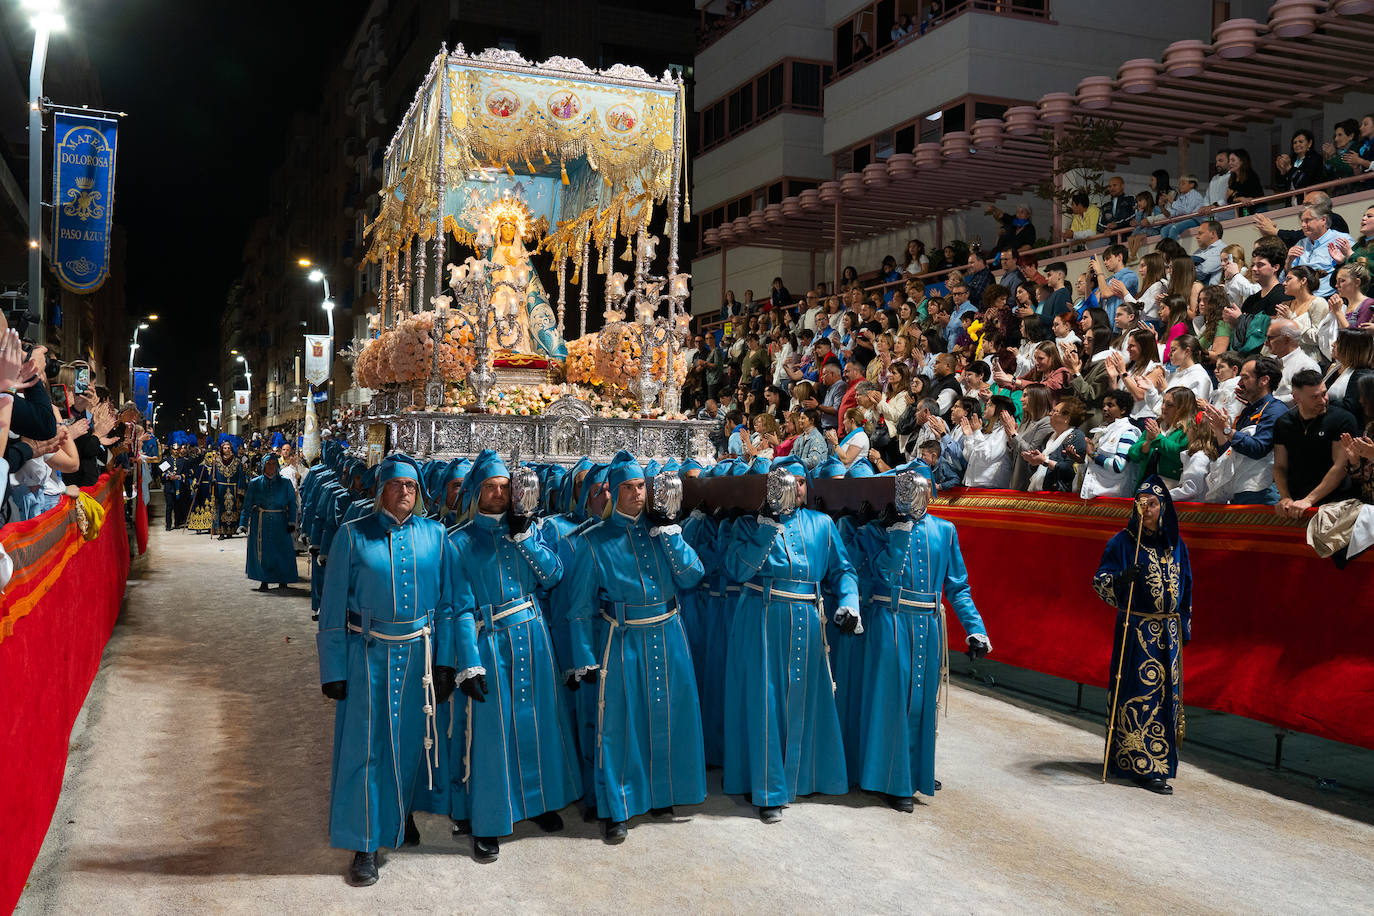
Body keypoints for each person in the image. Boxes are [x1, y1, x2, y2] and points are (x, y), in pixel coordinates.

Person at [317, 454, 460, 886]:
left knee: (413, 742)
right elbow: (332, 605)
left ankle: (399, 815)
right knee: (366, 748)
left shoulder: (437, 536)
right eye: (396, 484)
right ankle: (364, 844)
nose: (404, 492)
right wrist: (333, 667)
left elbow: (448, 605)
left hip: (420, 656)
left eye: (411, 485)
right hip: (368, 654)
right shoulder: (352, 535)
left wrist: (446, 662)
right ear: (380, 491)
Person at [566, 455, 707, 842]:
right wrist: (584, 658)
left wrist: (672, 535)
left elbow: (693, 576)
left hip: (669, 634)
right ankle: (617, 808)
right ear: (613, 492)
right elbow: (579, 609)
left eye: (641, 486)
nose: (636, 494)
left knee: (669, 716)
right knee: (619, 726)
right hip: (622, 639)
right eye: (627, 488)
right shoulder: (592, 540)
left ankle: (662, 794)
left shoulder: (664, 532)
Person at [446, 451, 579, 862]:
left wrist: (525, 539)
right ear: (475, 493)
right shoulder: (458, 543)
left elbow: (553, 575)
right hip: (490, 642)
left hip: (533, 636)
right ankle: (486, 819)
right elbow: (459, 608)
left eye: (504, 487)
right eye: (490, 487)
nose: (499, 494)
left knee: (538, 722)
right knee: (492, 732)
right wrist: (469, 661)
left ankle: (539, 802)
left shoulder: (529, 530)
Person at [723, 461, 858, 823]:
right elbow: (736, 570)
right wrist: (767, 528)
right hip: (761, 617)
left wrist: (849, 602)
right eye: (786, 482)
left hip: (808, 620)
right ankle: (767, 789)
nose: (795, 488)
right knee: (764, 700)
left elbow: (843, 570)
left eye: (800, 482)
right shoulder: (748, 525)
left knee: (806, 696)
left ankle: (802, 778)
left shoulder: (823, 524)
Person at [853, 468, 989, 811]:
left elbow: (957, 586)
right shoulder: (877, 530)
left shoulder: (945, 530)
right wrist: (897, 535)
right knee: (892, 699)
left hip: (928, 625)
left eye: (922, 487)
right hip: (890, 619)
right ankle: (893, 780)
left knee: (922, 701)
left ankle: (914, 771)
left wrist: (975, 629)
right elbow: (883, 575)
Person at [1093, 477, 1193, 795]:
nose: (1146, 509)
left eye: (1152, 504)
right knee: (1139, 696)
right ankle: (1140, 765)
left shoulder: (1176, 545)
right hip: (1136, 631)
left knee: (1166, 700)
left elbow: (1187, 586)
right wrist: (1121, 580)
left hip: (1168, 634)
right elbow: (1100, 582)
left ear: (1163, 507)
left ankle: (1160, 763)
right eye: (1141, 504)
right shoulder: (1122, 543)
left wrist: (1184, 626)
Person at [1273, 370, 1361, 518]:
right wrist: (1285, 497)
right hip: (1296, 503)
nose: (1323, 400)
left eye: (1324, 394)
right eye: (1314, 397)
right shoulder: (1283, 423)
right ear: (1296, 398)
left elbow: (1340, 467)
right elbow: (1280, 466)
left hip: (1334, 503)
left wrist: (1309, 500)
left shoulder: (1342, 420)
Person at [238, 453, 299, 591]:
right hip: (261, 522)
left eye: (273, 464)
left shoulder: (285, 483)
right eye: (268, 464)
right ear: (263, 466)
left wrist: (291, 522)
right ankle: (263, 579)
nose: (271, 466)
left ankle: (283, 579)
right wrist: (243, 523)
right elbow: (247, 504)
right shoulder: (255, 483)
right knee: (263, 551)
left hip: (280, 521)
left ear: (277, 465)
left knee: (282, 551)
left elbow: (292, 503)